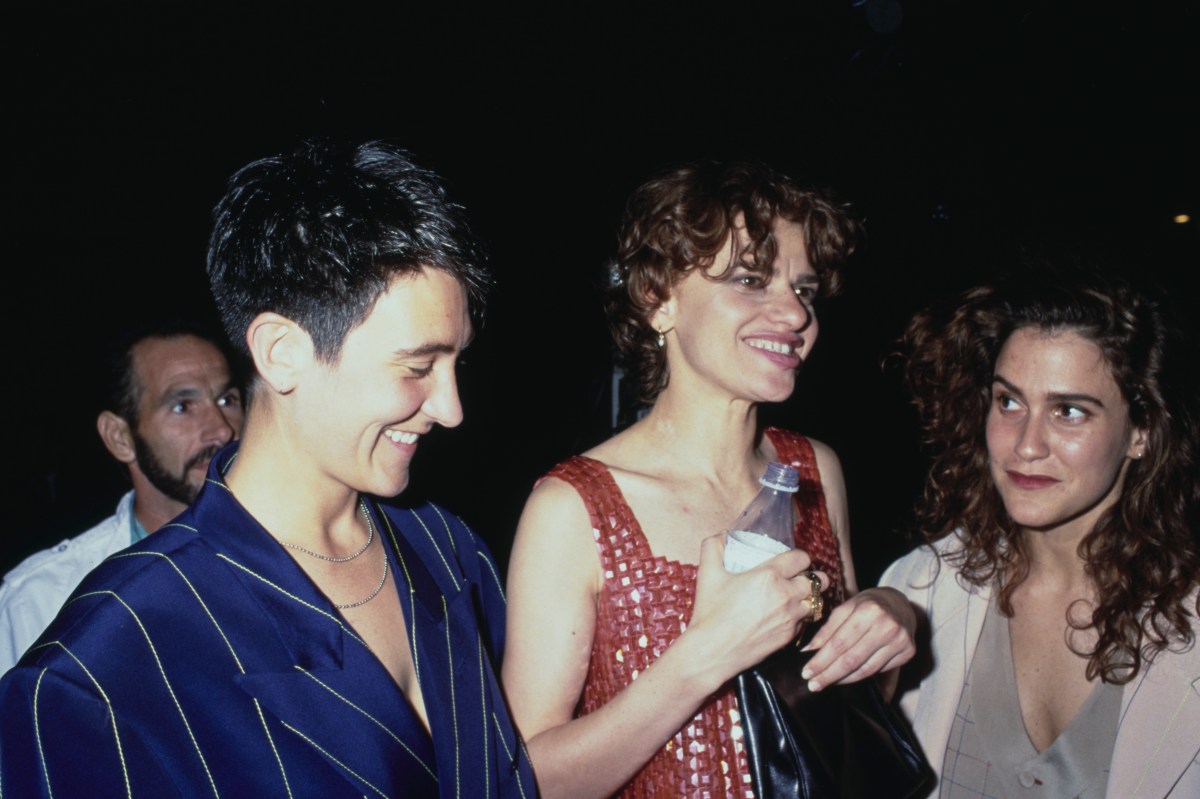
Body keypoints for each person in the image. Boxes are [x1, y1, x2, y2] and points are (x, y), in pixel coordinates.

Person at [0, 140, 536, 798]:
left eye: (457, 364)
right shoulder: (106, 664)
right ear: (281, 353)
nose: (451, 409)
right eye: (418, 367)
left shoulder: (449, 552)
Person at [503, 161, 918, 798]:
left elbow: (839, 711)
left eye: (804, 290)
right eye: (751, 280)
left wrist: (890, 621)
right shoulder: (575, 508)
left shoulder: (813, 470)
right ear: (659, 298)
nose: (795, 314)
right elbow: (523, 780)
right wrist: (708, 655)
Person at [881, 271, 1200, 798]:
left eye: (1069, 411)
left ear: (1140, 431)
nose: (1026, 445)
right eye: (1009, 402)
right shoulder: (920, 588)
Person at [0, 321, 243, 672]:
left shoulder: (306, 554)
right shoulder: (40, 602)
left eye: (228, 399)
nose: (222, 429)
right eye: (182, 407)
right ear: (120, 437)